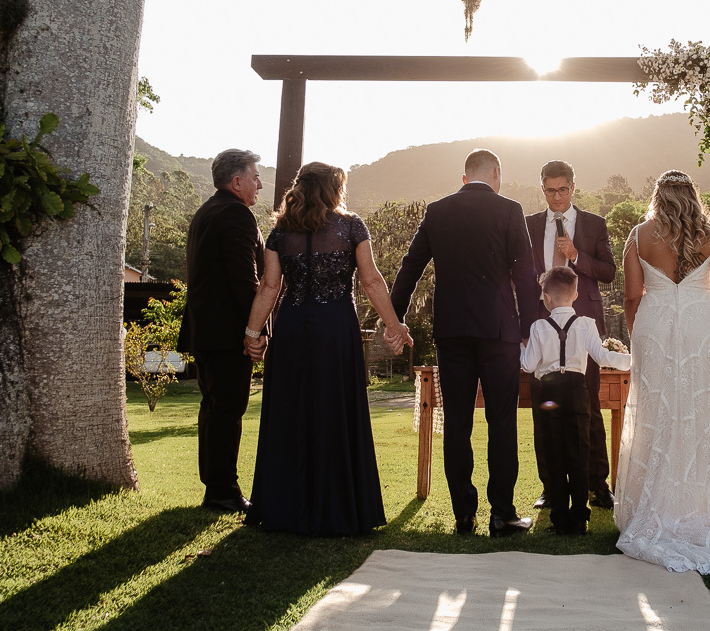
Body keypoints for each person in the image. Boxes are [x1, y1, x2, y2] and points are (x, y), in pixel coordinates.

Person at [615, 170, 710, 573]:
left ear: (657, 196)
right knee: (704, 414)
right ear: (692, 197)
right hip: (702, 327)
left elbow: (633, 296)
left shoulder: (639, 236)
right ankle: (699, 508)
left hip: (655, 326)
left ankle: (656, 507)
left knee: (657, 413)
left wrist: (641, 339)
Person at [240, 163, 411, 535]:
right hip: (335, 329)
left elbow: (270, 287)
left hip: (292, 329)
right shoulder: (351, 226)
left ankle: (284, 506)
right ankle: (340, 508)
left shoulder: (280, 232)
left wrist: (254, 333)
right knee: (336, 409)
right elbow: (370, 280)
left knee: (291, 411)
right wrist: (394, 324)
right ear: (335, 188)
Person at [390, 149, 541, 537]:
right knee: (501, 421)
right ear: (495, 173)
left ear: (464, 178)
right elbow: (525, 273)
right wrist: (530, 326)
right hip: (499, 332)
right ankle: (502, 514)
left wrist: (395, 317)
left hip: (452, 332)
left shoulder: (437, 211)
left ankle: (463, 515)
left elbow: (411, 264)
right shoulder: (509, 210)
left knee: (457, 422)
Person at [524, 160, 618, 510]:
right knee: (543, 409)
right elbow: (518, 274)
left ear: (573, 187)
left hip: (583, 325)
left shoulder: (594, 224)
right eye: (550, 190)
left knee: (588, 405)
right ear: (543, 189)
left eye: (563, 189)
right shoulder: (529, 225)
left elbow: (608, 271)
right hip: (541, 327)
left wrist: (577, 256)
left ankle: (597, 484)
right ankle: (551, 488)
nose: (557, 196)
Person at [178, 149, 265, 513]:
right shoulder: (235, 215)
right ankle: (223, 491)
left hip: (205, 331)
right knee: (227, 409)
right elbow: (244, 281)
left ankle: (215, 487)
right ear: (237, 181)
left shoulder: (206, 212)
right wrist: (254, 331)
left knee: (214, 408)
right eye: (255, 176)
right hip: (229, 333)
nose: (260, 184)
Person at [520, 267, 631, 535]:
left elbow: (527, 365)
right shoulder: (586, 323)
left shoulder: (538, 327)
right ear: (576, 294)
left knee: (554, 451)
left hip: (549, 392)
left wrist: (520, 350)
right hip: (577, 389)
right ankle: (580, 517)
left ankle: (559, 518)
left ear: (545, 297)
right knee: (580, 450)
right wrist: (632, 361)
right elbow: (602, 358)